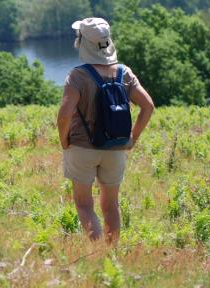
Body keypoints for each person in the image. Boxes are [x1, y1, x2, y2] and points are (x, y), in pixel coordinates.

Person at [56, 17, 154, 245]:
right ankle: (112, 255)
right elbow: (148, 106)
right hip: (116, 148)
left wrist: (64, 140)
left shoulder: (77, 76)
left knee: (83, 204)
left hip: (81, 147)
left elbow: (64, 115)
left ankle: (98, 255)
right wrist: (133, 138)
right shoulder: (124, 73)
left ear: (83, 43)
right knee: (111, 206)